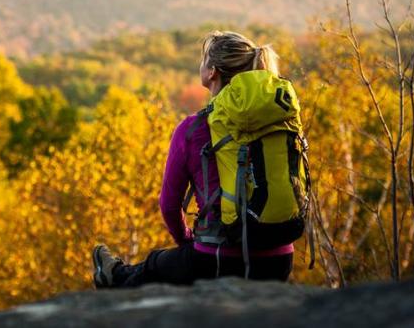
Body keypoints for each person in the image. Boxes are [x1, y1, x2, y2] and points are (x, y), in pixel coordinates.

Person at [92, 30, 309, 288]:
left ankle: (113, 277)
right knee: (157, 265)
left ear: (212, 72)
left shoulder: (192, 129)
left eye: (203, 58)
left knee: (155, 264)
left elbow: (169, 206)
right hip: (280, 258)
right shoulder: (278, 117)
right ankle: (115, 273)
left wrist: (186, 241)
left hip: (218, 258)